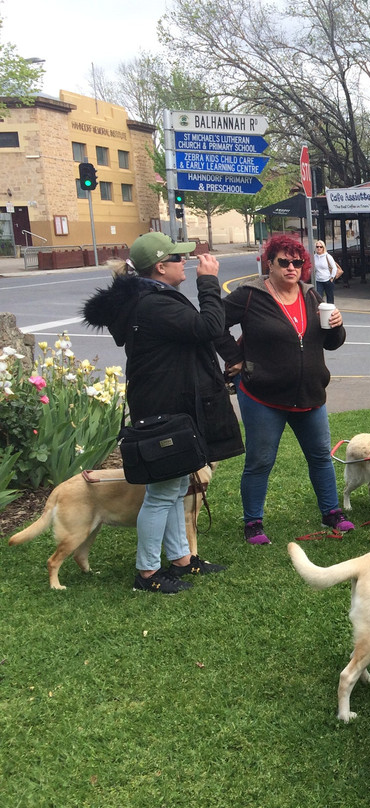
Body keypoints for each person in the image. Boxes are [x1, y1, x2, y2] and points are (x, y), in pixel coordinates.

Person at [82, 232, 243, 594]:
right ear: (159, 266)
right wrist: (208, 283)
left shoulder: (149, 298)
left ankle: (181, 559)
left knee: (172, 486)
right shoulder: (152, 304)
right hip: (163, 410)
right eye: (177, 258)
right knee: (162, 493)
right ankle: (148, 574)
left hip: (167, 405)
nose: (184, 262)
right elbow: (209, 328)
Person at [216, 234, 354, 545]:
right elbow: (213, 324)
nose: (292, 268)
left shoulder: (312, 297)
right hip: (263, 396)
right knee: (260, 460)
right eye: (284, 262)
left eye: (298, 262)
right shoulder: (250, 295)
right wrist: (235, 357)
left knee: (320, 455)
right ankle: (253, 522)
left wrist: (337, 324)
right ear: (270, 264)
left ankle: (331, 512)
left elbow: (332, 343)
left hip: (310, 395)